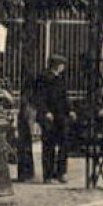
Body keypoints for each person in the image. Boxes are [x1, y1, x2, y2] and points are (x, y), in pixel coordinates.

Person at [33, 54, 72, 184]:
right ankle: (48, 175)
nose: (63, 67)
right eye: (62, 65)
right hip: (50, 116)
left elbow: (65, 97)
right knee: (49, 145)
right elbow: (39, 97)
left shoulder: (60, 79)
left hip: (61, 116)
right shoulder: (43, 78)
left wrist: (70, 110)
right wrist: (45, 112)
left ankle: (61, 172)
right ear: (57, 65)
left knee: (64, 144)